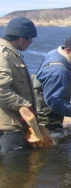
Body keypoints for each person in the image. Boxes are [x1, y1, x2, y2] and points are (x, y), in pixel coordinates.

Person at [33, 32, 71, 130]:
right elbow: (55, 102)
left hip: (40, 100)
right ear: (68, 50)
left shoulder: (54, 53)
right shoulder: (59, 71)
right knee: (52, 138)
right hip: (46, 113)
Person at [0, 17, 37, 153]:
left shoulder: (12, 53)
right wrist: (24, 106)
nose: (31, 43)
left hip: (12, 122)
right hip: (8, 126)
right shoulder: (3, 55)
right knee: (15, 169)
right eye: (30, 39)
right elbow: (1, 90)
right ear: (21, 38)